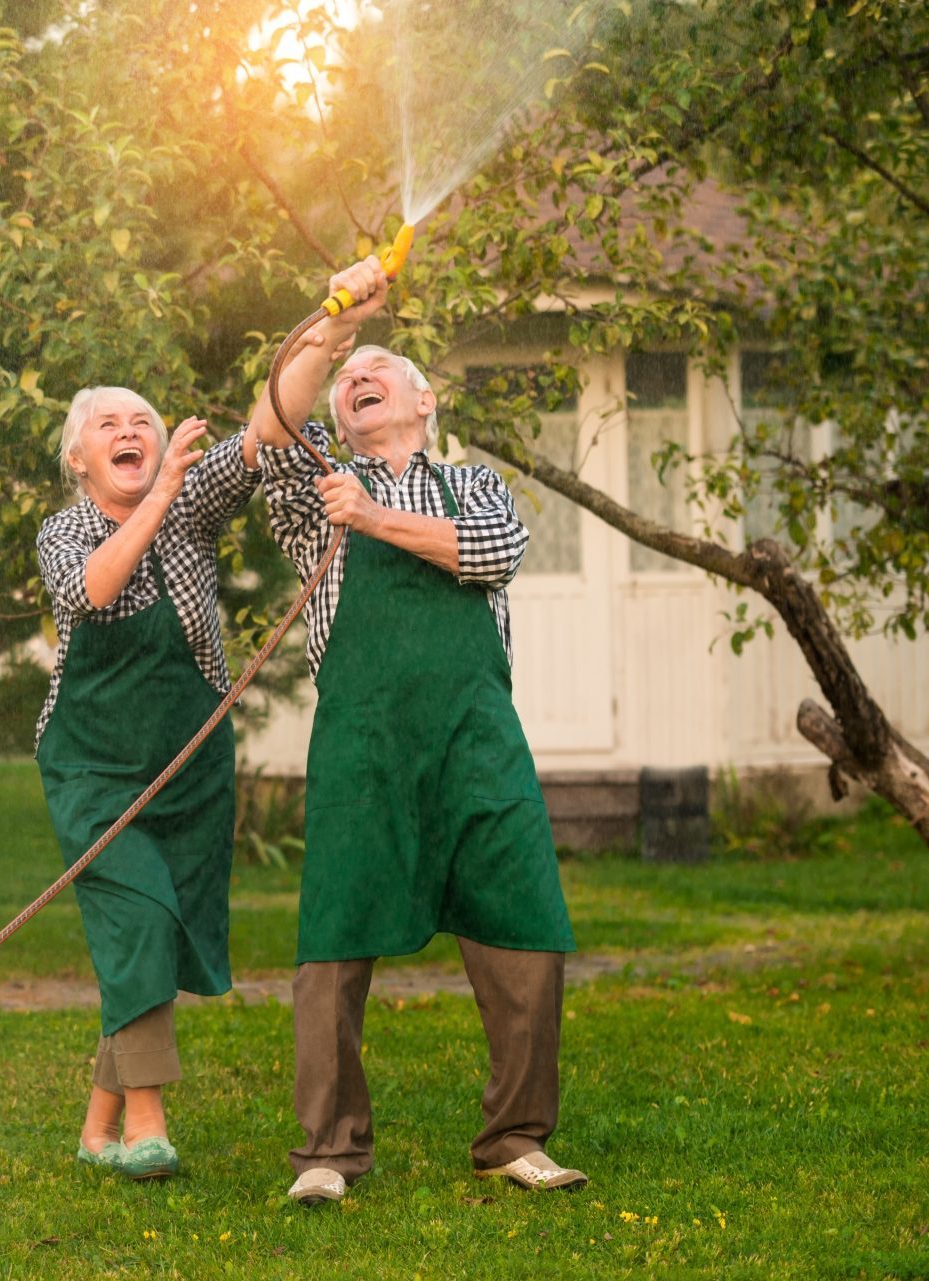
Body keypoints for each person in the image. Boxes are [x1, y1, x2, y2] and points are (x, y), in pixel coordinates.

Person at [249, 257, 582, 1205]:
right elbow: (272, 421)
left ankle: (516, 1136)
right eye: (353, 384)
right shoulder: (320, 488)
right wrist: (338, 325)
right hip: (363, 747)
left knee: (527, 927)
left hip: (478, 742)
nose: (360, 387)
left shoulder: (475, 487)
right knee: (333, 944)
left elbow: (490, 554)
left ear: (424, 401)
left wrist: (377, 516)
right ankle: (328, 1151)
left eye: (379, 374)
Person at [35, 385, 261, 1180]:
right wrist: (160, 491)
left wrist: (327, 336)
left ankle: (98, 1127)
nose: (130, 433)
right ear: (79, 456)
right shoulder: (63, 530)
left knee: (152, 938)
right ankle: (147, 1126)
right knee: (139, 920)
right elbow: (92, 590)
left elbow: (268, 425)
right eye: (110, 425)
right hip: (93, 768)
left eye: (145, 425)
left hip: (189, 770)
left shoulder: (193, 506)